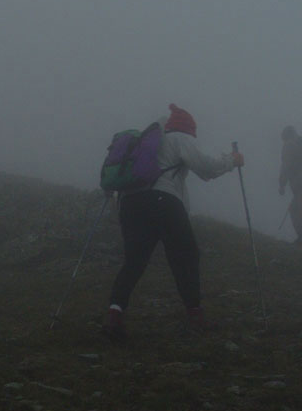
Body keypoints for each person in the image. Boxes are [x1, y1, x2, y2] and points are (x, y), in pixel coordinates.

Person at [102, 103, 244, 339]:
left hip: (130, 204)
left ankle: (114, 315)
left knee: (134, 261)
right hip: (163, 201)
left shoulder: (145, 143)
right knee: (185, 256)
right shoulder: (179, 138)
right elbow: (207, 168)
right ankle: (195, 316)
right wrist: (233, 160)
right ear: (189, 129)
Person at [279, 125, 302, 247]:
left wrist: (281, 185)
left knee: (297, 210)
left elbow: (286, 166)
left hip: (301, 183)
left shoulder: (289, 146)